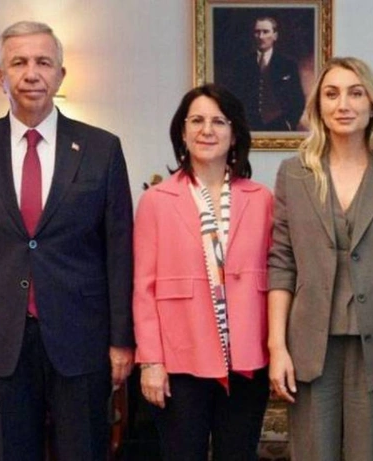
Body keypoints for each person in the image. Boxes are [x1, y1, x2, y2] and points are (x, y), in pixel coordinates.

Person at [0, 21, 134, 461]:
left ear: (60, 74)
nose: (32, 73)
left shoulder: (101, 149)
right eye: (19, 63)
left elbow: (119, 251)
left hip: (82, 337)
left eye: (43, 62)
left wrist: (122, 340)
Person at [268, 56, 373, 461]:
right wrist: (277, 346)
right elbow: (282, 263)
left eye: (356, 93)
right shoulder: (294, 174)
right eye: (331, 94)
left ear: (372, 104)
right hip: (309, 345)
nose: (344, 104)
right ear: (318, 106)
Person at [133, 84, 273, 461]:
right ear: (182, 131)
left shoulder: (262, 199)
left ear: (234, 134)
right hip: (179, 360)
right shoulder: (155, 201)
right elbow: (143, 289)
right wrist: (151, 362)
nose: (206, 130)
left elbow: (280, 278)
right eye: (196, 120)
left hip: (247, 359)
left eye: (218, 121)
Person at [226, 16, 305, 131]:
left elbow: (298, 100)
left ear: (275, 36)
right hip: (248, 126)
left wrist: (289, 123)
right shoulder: (241, 64)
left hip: (280, 126)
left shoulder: (288, 64)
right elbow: (232, 98)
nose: (261, 36)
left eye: (265, 32)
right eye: (257, 32)